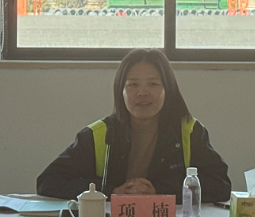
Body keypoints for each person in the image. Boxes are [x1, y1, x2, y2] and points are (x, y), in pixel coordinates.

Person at [37, 48, 232, 203]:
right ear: (120, 91)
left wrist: (160, 191)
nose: (142, 93)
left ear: (168, 89)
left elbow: (221, 185)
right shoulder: (99, 134)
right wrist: (111, 191)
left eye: (153, 84)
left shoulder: (189, 132)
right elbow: (48, 181)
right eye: (133, 85)